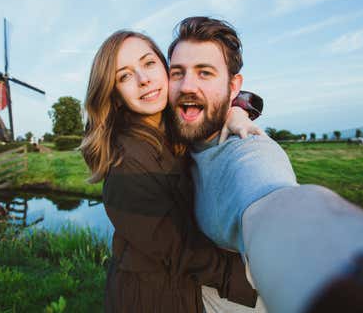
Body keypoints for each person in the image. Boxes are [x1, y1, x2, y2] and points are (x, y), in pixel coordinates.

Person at [167, 16, 363, 313]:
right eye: (177, 73)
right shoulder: (173, 134)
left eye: (205, 73)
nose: (187, 85)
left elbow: (273, 202)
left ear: (233, 86)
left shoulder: (246, 151)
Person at [80, 30, 259, 312]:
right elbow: (181, 252)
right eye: (125, 76)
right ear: (114, 95)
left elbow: (217, 98)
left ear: (165, 68)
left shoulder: (173, 121)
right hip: (155, 299)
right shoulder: (125, 165)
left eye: (149, 63)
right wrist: (254, 282)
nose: (144, 80)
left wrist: (236, 112)